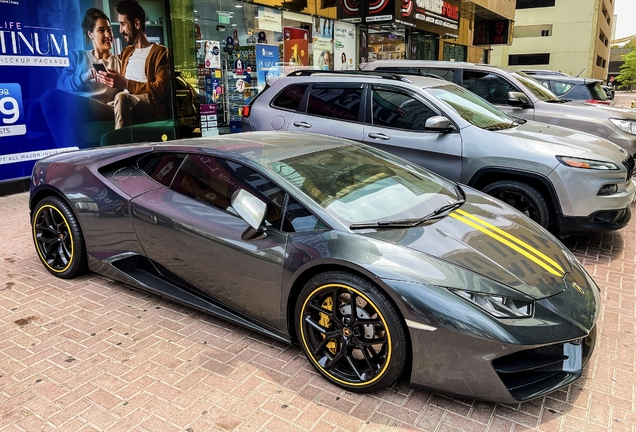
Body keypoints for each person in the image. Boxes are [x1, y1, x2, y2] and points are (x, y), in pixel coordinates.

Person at [40, 8, 121, 148]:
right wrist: (84, 77)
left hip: (102, 107)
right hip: (75, 103)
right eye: (101, 30)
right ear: (91, 34)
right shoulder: (77, 56)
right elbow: (61, 85)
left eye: (109, 29)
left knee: (49, 97)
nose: (108, 34)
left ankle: (72, 155)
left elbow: (127, 88)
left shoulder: (119, 62)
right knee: (36, 105)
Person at [96, 0, 170, 129]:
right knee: (61, 100)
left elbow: (161, 89)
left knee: (122, 97)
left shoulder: (160, 52)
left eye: (123, 24)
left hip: (147, 102)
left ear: (137, 23)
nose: (120, 30)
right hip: (121, 103)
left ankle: (120, 147)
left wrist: (126, 83)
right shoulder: (126, 52)